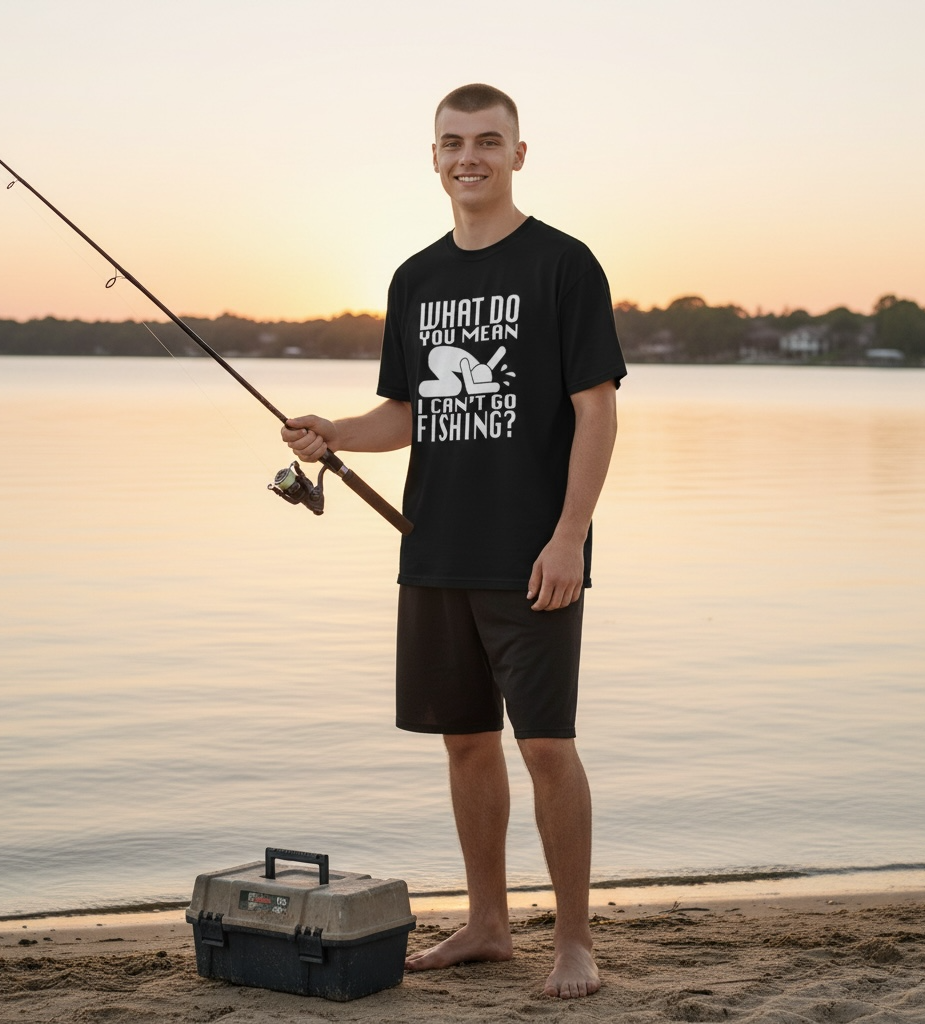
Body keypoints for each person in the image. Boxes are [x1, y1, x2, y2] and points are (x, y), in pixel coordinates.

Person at [282, 83, 626, 1000]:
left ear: (519, 153)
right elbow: (409, 411)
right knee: (465, 743)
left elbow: (597, 413)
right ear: (431, 157)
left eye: (486, 140)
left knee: (546, 745)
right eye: (451, 142)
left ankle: (575, 942)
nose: (467, 156)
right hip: (433, 549)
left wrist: (569, 539)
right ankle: (486, 924)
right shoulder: (415, 278)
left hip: (534, 557)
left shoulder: (564, 265)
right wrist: (336, 434)